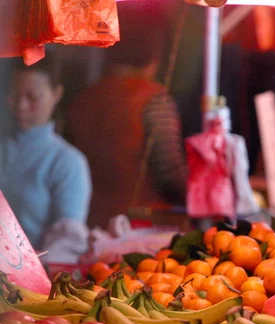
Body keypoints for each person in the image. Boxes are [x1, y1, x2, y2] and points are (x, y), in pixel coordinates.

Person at [67, 3, 187, 229]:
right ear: (155, 52)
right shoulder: (154, 99)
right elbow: (170, 177)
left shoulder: (84, 98)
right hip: (137, 227)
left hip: (88, 221)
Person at [0, 53, 91, 251]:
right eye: (15, 95)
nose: (21, 105)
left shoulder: (67, 163)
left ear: (56, 94)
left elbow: (67, 243)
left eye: (32, 97)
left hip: (36, 274)